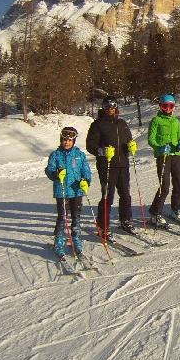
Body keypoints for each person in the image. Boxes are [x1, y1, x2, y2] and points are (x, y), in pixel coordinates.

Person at [86, 95, 137, 239]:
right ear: (103, 107)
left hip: (122, 164)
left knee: (125, 194)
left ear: (116, 108)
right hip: (107, 165)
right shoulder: (97, 124)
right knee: (108, 196)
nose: (110, 109)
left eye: (112, 106)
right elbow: (90, 145)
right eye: (107, 106)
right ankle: (103, 226)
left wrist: (130, 147)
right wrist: (102, 151)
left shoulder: (122, 123)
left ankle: (125, 220)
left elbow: (128, 140)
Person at [45, 126, 92, 261]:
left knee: (76, 216)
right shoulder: (55, 154)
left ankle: (76, 237)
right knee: (62, 216)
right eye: (65, 140)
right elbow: (49, 170)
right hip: (62, 191)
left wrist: (86, 181)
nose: (67, 142)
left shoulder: (79, 155)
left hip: (76, 190)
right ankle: (59, 239)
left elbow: (86, 170)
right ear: (61, 140)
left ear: (74, 141)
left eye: (70, 140)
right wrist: (55, 174)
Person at [147, 94, 180, 225]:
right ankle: (155, 213)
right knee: (164, 186)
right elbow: (151, 139)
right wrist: (159, 148)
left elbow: (179, 137)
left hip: (175, 155)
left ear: (173, 107)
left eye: (170, 106)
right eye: (165, 106)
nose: (168, 108)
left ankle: (175, 210)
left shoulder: (175, 121)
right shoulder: (156, 120)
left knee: (179, 183)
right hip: (163, 156)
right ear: (160, 106)